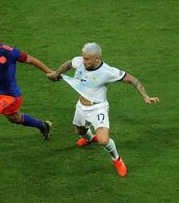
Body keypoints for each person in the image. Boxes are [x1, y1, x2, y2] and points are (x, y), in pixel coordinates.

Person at [47, 43, 159, 177]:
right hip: (81, 107)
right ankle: (89, 139)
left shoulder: (107, 71)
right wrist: (56, 74)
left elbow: (132, 79)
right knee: (79, 131)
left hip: (98, 107)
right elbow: (69, 64)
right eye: (83, 58)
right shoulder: (80, 61)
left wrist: (145, 96)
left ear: (97, 59)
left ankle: (117, 159)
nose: (84, 61)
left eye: (87, 59)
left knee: (103, 140)